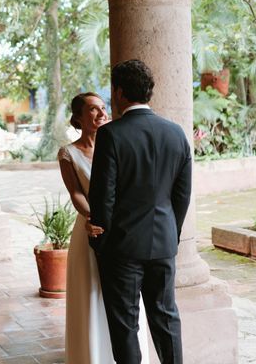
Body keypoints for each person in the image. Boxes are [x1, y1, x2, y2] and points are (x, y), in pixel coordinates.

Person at [88, 60, 192, 364]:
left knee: (125, 326)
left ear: (119, 92)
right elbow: (182, 195)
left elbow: (103, 196)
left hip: (121, 247)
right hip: (163, 243)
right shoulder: (176, 133)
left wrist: (101, 242)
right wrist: (171, 234)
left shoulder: (111, 135)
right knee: (166, 318)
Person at [58, 92, 149, 364]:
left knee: (126, 294)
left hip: (123, 230)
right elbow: (76, 193)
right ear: (78, 117)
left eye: (103, 108)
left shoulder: (118, 143)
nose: (101, 113)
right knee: (91, 293)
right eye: (93, 110)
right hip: (90, 230)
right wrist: (93, 217)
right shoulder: (69, 153)